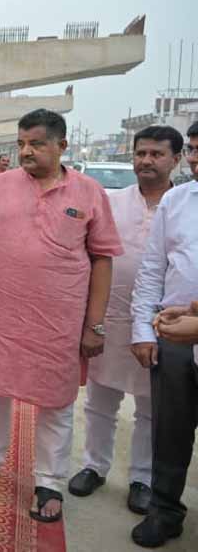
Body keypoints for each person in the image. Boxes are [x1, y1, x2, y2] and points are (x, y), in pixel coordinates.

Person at [0, 109, 122, 525]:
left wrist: (94, 325)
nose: (26, 151)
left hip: (60, 319)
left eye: (36, 144)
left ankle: (49, 481)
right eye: (21, 143)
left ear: (61, 146)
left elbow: (102, 259)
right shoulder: (1, 185)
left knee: (56, 401)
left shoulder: (88, 192)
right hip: (3, 312)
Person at [68, 126, 182, 518]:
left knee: (151, 407)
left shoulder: (184, 205)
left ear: (175, 160)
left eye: (156, 154)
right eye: (141, 153)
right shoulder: (112, 202)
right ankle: (94, 466)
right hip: (112, 315)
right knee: (101, 399)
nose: (147, 160)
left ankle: (142, 479)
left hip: (165, 321)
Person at [127, 120, 198, 548]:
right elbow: (153, 269)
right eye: (193, 149)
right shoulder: (178, 200)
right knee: (169, 432)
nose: (195, 159)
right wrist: (143, 329)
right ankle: (165, 511)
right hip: (172, 338)